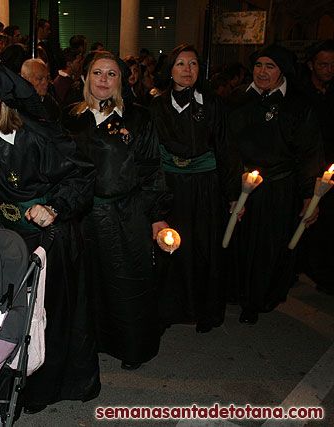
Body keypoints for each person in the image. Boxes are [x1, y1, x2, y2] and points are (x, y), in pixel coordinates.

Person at [0, 62, 100, 413]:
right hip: (6, 237)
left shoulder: (40, 135)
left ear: (1, 101)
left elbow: (82, 176)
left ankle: (43, 388)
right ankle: (3, 382)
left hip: (48, 238)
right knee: (7, 313)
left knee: (46, 314)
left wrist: (54, 206)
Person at [62, 51, 171, 370]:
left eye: (111, 74)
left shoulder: (137, 118)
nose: (104, 80)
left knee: (126, 281)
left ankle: (131, 346)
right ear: (86, 77)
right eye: (98, 73)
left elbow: (151, 168)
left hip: (126, 214)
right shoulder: (72, 116)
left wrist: (158, 215)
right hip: (82, 216)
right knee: (87, 282)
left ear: (121, 81)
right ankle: (90, 343)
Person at [227, 44, 324, 324]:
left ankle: (257, 299)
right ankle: (237, 292)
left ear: (282, 70)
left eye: (270, 66)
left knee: (268, 245)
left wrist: (309, 195)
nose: (262, 72)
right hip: (242, 184)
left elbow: (309, 153)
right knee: (239, 241)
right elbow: (225, 144)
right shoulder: (237, 99)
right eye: (258, 65)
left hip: (278, 188)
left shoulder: (298, 103)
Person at [149, 45, 242, 333]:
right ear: (169, 69)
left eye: (193, 64)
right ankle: (167, 310)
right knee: (169, 247)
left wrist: (234, 195)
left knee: (204, 248)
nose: (187, 69)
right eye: (180, 63)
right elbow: (149, 154)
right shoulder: (155, 106)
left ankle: (206, 311)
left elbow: (227, 149)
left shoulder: (213, 104)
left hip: (205, 187)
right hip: (170, 187)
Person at [300, 40, 334, 295]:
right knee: (305, 217)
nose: (329, 69)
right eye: (323, 64)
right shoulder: (300, 94)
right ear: (311, 65)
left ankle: (324, 273)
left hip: (331, 167)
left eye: (333, 64)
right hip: (307, 166)